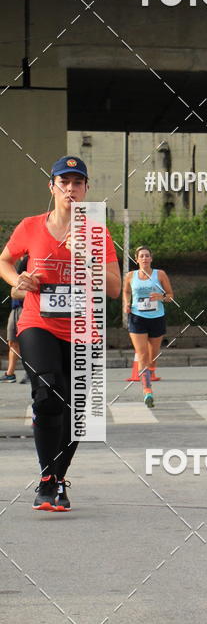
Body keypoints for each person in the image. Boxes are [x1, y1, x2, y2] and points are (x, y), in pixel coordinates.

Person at [0, 156, 121, 511]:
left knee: (79, 415)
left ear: (86, 189)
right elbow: (4, 261)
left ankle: (55, 478)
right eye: (63, 182)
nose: (70, 188)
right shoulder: (31, 226)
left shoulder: (97, 232)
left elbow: (114, 288)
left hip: (83, 327)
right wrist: (16, 279)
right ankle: (47, 479)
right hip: (38, 322)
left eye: (77, 183)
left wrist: (88, 258)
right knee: (48, 394)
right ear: (51, 187)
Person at [123, 246, 173, 408]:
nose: (144, 258)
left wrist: (162, 296)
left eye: (147, 256)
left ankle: (150, 372)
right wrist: (127, 303)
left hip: (157, 317)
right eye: (141, 256)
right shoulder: (130, 276)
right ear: (136, 259)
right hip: (137, 317)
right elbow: (126, 292)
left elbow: (171, 296)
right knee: (142, 355)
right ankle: (147, 391)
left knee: (153, 356)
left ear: (151, 259)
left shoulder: (160, 274)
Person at [2, 256, 27, 383]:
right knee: (12, 341)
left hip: (27, 308)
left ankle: (30, 373)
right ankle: (10, 374)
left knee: (28, 342)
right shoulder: (14, 265)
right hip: (15, 307)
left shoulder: (29, 260)